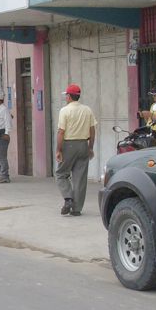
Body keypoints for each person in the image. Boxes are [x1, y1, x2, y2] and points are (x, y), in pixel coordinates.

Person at [55, 83, 97, 217]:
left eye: (66, 95)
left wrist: (59, 150)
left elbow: (61, 132)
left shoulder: (65, 111)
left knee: (61, 173)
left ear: (68, 96)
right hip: (83, 144)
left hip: (69, 145)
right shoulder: (87, 110)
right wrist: (90, 147)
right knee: (80, 178)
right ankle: (77, 209)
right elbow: (92, 130)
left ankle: (68, 199)